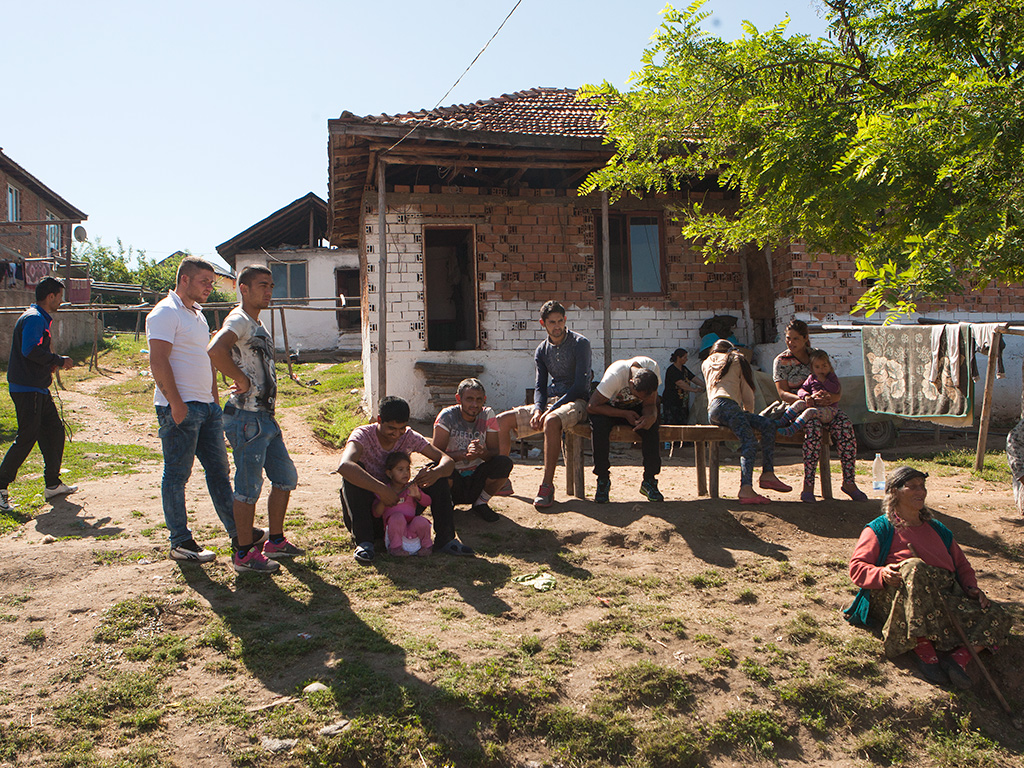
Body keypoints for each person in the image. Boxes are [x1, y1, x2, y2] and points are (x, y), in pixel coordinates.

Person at [846, 467, 1012, 688]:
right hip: (898, 598)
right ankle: (922, 648)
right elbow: (856, 567)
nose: (920, 492)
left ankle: (959, 658)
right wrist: (882, 573)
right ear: (894, 492)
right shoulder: (880, 528)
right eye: (912, 486)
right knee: (915, 567)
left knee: (998, 613)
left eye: (922, 486)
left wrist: (971, 588)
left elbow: (961, 565)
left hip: (941, 600)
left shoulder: (938, 530)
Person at [147, 256, 261, 563]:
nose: (210, 287)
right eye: (204, 282)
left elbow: (207, 359)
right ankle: (180, 541)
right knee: (177, 475)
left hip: (206, 408)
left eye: (211, 282)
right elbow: (158, 361)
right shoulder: (165, 312)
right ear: (184, 280)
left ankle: (239, 532)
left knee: (219, 473)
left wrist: (213, 402)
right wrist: (175, 403)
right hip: (180, 408)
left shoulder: (197, 315)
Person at [208, 265, 303, 574]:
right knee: (248, 488)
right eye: (262, 285)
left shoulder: (255, 323)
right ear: (243, 288)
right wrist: (239, 378)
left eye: (271, 285)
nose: (269, 291)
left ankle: (274, 541)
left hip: (264, 418)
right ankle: (244, 553)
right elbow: (215, 349)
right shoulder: (239, 319)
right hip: (247, 417)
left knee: (285, 478)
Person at [338, 395, 474, 564]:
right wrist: (381, 490)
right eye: (391, 429)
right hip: (372, 511)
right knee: (353, 472)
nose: (396, 434)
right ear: (379, 420)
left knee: (436, 472)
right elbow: (344, 466)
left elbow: (447, 461)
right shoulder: (363, 435)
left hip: (403, 510)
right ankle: (365, 543)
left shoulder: (409, 436)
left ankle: (445, 540)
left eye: (401, 429)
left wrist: (436, 473)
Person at [496, 300, 591, 509]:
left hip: (577, 402)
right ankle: (502, 480)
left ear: (565, 320)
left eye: (560, 321)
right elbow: (540, 386)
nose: (557, 326)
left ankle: (547, 486)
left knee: (550, 421)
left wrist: (549, 410)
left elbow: (580, 385)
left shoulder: (579, 343)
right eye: (552, 322)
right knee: (501, 421)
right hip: (551, 402)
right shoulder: (542, 350)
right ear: (543, 323)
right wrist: (538, 408)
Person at [0, 276, 76, 513]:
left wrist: (49, 365)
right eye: (60, 297)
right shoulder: (34, 318)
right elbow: (30, 349)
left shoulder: (39, 318)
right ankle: (1, 486)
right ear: (50, 296)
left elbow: (34, 351)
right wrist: (58, 361)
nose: (61, 302)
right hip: (27, 389)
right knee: (27, 437)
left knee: (54, 431)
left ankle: (52, 483)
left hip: (37, 388)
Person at [773, 319, 866, 503]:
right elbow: (783, 393)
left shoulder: (818, 357)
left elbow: (836, 388)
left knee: (845, 426)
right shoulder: (781, 361)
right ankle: (808, 486)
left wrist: (829, 398)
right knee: (813, 429)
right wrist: (805, 399)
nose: (791, 342)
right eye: (788, 338)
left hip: (827, 407)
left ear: (806, 338)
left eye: (796, 339)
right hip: (799, 407)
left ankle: (849, 482)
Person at [702, 340, 791, 504]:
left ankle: (768, 474)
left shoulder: (707, 362)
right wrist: (748, 413)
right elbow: (747, 393)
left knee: (767, 424)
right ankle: (746, 488)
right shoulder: (736, 358)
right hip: (729, 406)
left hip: (713, 411)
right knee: (749, 441)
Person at [432, 378, 513, 523]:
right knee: (436, 469)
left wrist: (483, 453)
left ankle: (481, 503)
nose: (474, 405)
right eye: (469, 399)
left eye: (479, 400)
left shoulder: (488, 415)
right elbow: (435, 454)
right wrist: (462, 455)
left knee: (504, 463)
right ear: (459, 399)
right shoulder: (447, 417)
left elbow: (495, 451)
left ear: (484, 400)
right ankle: (447, 503)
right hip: (453, 477)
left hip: (476, 477)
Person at [587, 355, 663, 503]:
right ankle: (602, 479)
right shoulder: (614, 376)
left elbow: (649, 404)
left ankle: (649, 480)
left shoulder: (652, 369)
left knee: (652, 426)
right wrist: (623, 413)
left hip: (635, 411)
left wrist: (650, 417)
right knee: (598, 426)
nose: (638, 398)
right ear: (631, 383)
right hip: (609, 408)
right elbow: (592, 406)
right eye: (636, 395)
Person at [373, 451, 433, 556]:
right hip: (395, 534)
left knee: (421, 520)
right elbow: (376, 513)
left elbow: (427, 502)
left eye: (408, 469)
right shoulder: (385, 490)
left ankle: (426, 546)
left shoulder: (411, 488)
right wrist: (384, 500)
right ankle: (396, 549)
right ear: (389, 473)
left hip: (412, 533)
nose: (405, 473)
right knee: (397, 518)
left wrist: (418, 495)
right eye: (400, 470)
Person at [776, 349, 842, 436]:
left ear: (829, 366)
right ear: (812, 368)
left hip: (829, 410)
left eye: (824, 366)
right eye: (817, 367)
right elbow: (802, 389)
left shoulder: (831, 377)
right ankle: (781, 422)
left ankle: (793, 429)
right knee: (799, 403)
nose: (821, 369)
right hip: (814, 404)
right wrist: (806, 396)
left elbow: (836, 389)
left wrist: (825, 381)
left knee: (810, 411)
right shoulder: (812, 378)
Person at [662, 348, 702, 426]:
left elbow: (693, 378)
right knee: (672, 424)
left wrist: (705, 385)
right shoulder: (672, 370)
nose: (686, 359)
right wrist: (694, 390)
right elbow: (680, 383)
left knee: (682, 423)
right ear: (678, 358)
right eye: (684, 357)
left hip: (682, 403)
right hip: (672, 402)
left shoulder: (684, 369)